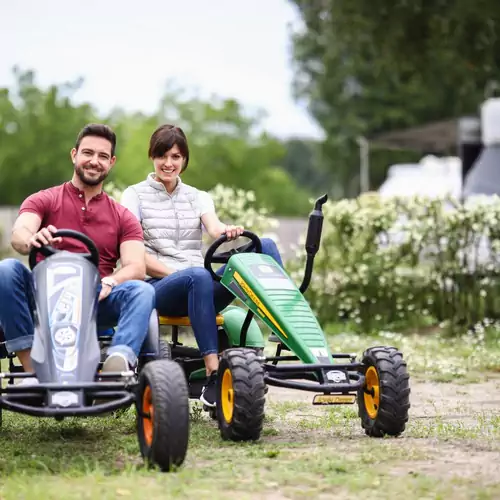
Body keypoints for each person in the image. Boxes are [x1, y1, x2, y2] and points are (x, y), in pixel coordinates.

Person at [120, 124, 284, 407]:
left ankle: (282, 330)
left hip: (201, 288)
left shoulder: (198, 196)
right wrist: (183, 275)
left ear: (184, 160)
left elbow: (214, 228)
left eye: (175, 157)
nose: (168, 163)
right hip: (160, 290)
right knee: (197, 276)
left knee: (263, 246)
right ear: (152, 157)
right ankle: (212, 372)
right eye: (162, 156)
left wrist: (229, 231)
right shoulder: (134, 195)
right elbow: (134, 255)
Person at [0, 123, 155, 385]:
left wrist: (111, 281)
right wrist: (31, 238)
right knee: (5, 270)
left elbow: (135, 266)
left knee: (143, 290)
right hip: (43, 297)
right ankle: (32, 370)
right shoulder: (45, 199)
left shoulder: (122, 216)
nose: (94, 161)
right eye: (88, 153)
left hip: (96, 299)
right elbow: (20, 232)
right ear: (74, 155)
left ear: (111, 162)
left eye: (103, 156)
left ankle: (117, 363)